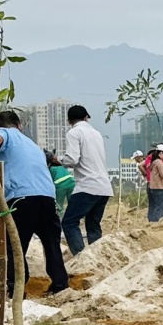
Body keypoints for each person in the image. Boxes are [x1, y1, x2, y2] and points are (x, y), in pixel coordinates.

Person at [0, 110, 71, 300]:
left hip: (22, 199)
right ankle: (60, 284)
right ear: (20, 125)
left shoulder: (4, 133)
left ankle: (15, 288)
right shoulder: (32, 145)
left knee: (14, 246)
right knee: (51, 244)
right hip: (47, 198)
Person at [61, 105, 112, 254]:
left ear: (69, 120)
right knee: (93, 225)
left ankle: (81, 257)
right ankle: (96, 257)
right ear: (86, 117)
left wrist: (56, 159)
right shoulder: (96, 133)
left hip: (88, 185)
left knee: (69, 222)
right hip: (104, 187)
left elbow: (72, 159)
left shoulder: (74, 132)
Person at [142, 143, 163, 224]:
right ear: (161, 153)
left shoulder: (153, 162)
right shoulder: (159, 162)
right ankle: (158, 223)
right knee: (160, 208)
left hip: (153, 187)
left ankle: (152, 222)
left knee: (153, 207)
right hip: (160, 188)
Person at [48, 149, 75, 216]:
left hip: (60, 184)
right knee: (73, 204)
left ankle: (60, 220)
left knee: (59, 206)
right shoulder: (58, 163)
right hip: (71, 181)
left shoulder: (49, 167)